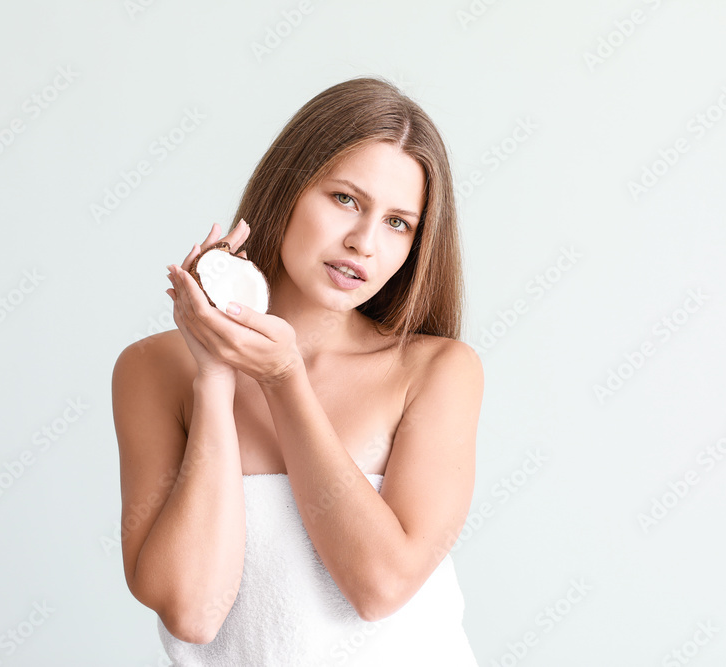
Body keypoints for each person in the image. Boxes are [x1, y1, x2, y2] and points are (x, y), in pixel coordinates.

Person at [111, 76, 484, 665]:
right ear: (288, 189)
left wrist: (284, 379)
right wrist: (214, 377)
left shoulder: (436, 370)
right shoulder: (152, 369)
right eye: (345, 200)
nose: (364, 242)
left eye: (397, 223)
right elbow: (193, 611)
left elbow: (381, 586)